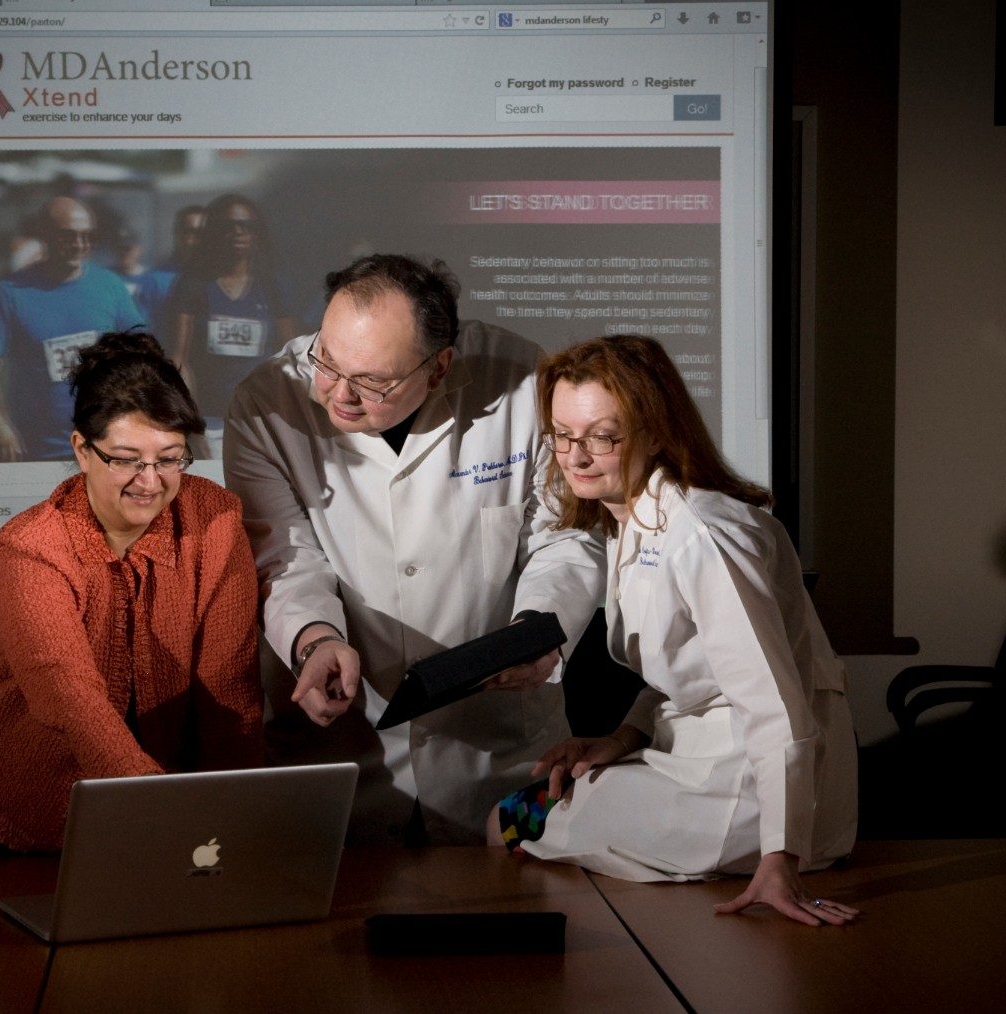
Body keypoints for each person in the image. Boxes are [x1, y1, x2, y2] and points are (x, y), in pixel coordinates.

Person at [223, 254, 605, 845]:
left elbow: (565, 536)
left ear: (439, 367)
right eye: (326, 361)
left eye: (373, 382)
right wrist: (313, 641)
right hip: (346, 751)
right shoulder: (265, 402)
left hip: (499, 748)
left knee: (515, 892)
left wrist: (540, 633)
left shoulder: (524, 382)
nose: (339, 394)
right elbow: (284, 557)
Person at [489, 334, 859, 927]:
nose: (576, 457)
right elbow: (687, 672)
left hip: (760, 794)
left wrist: (781, 857)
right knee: (526, 810)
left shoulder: (702, 536)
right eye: (562, 435)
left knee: (512, 820)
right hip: (701, 757)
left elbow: (775, 705)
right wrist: (620, 739)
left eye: (602, 437)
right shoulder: (634, 521)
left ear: (657, 433)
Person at [0, 330, 264, 852]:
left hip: (169, 800)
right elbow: (71, 701)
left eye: (169, 458)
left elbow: (228, 686)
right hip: (39, 796)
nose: (150, 482)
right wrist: (160, 809)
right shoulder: (28, 549)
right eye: (126, 459)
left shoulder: (215, 518)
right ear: (82, 449)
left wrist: (232, 817)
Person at [0, 195, 146, 462]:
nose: (79, 245)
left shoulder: (110, 285)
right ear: (45, 235)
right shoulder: (10, 292)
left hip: (104, 450)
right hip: (36, 450)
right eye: (68, 236)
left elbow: (144, 356)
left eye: (87, 236)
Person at [169, 194, 297, 456]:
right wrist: (193, 427)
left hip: (263, 422)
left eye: (246, 226)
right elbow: (179, 361)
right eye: (229, 226)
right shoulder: (193, 286)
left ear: (257, 233)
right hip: (210, 424)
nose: (238, 232)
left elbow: (289, 358)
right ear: (214, 231)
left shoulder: (272, 287)